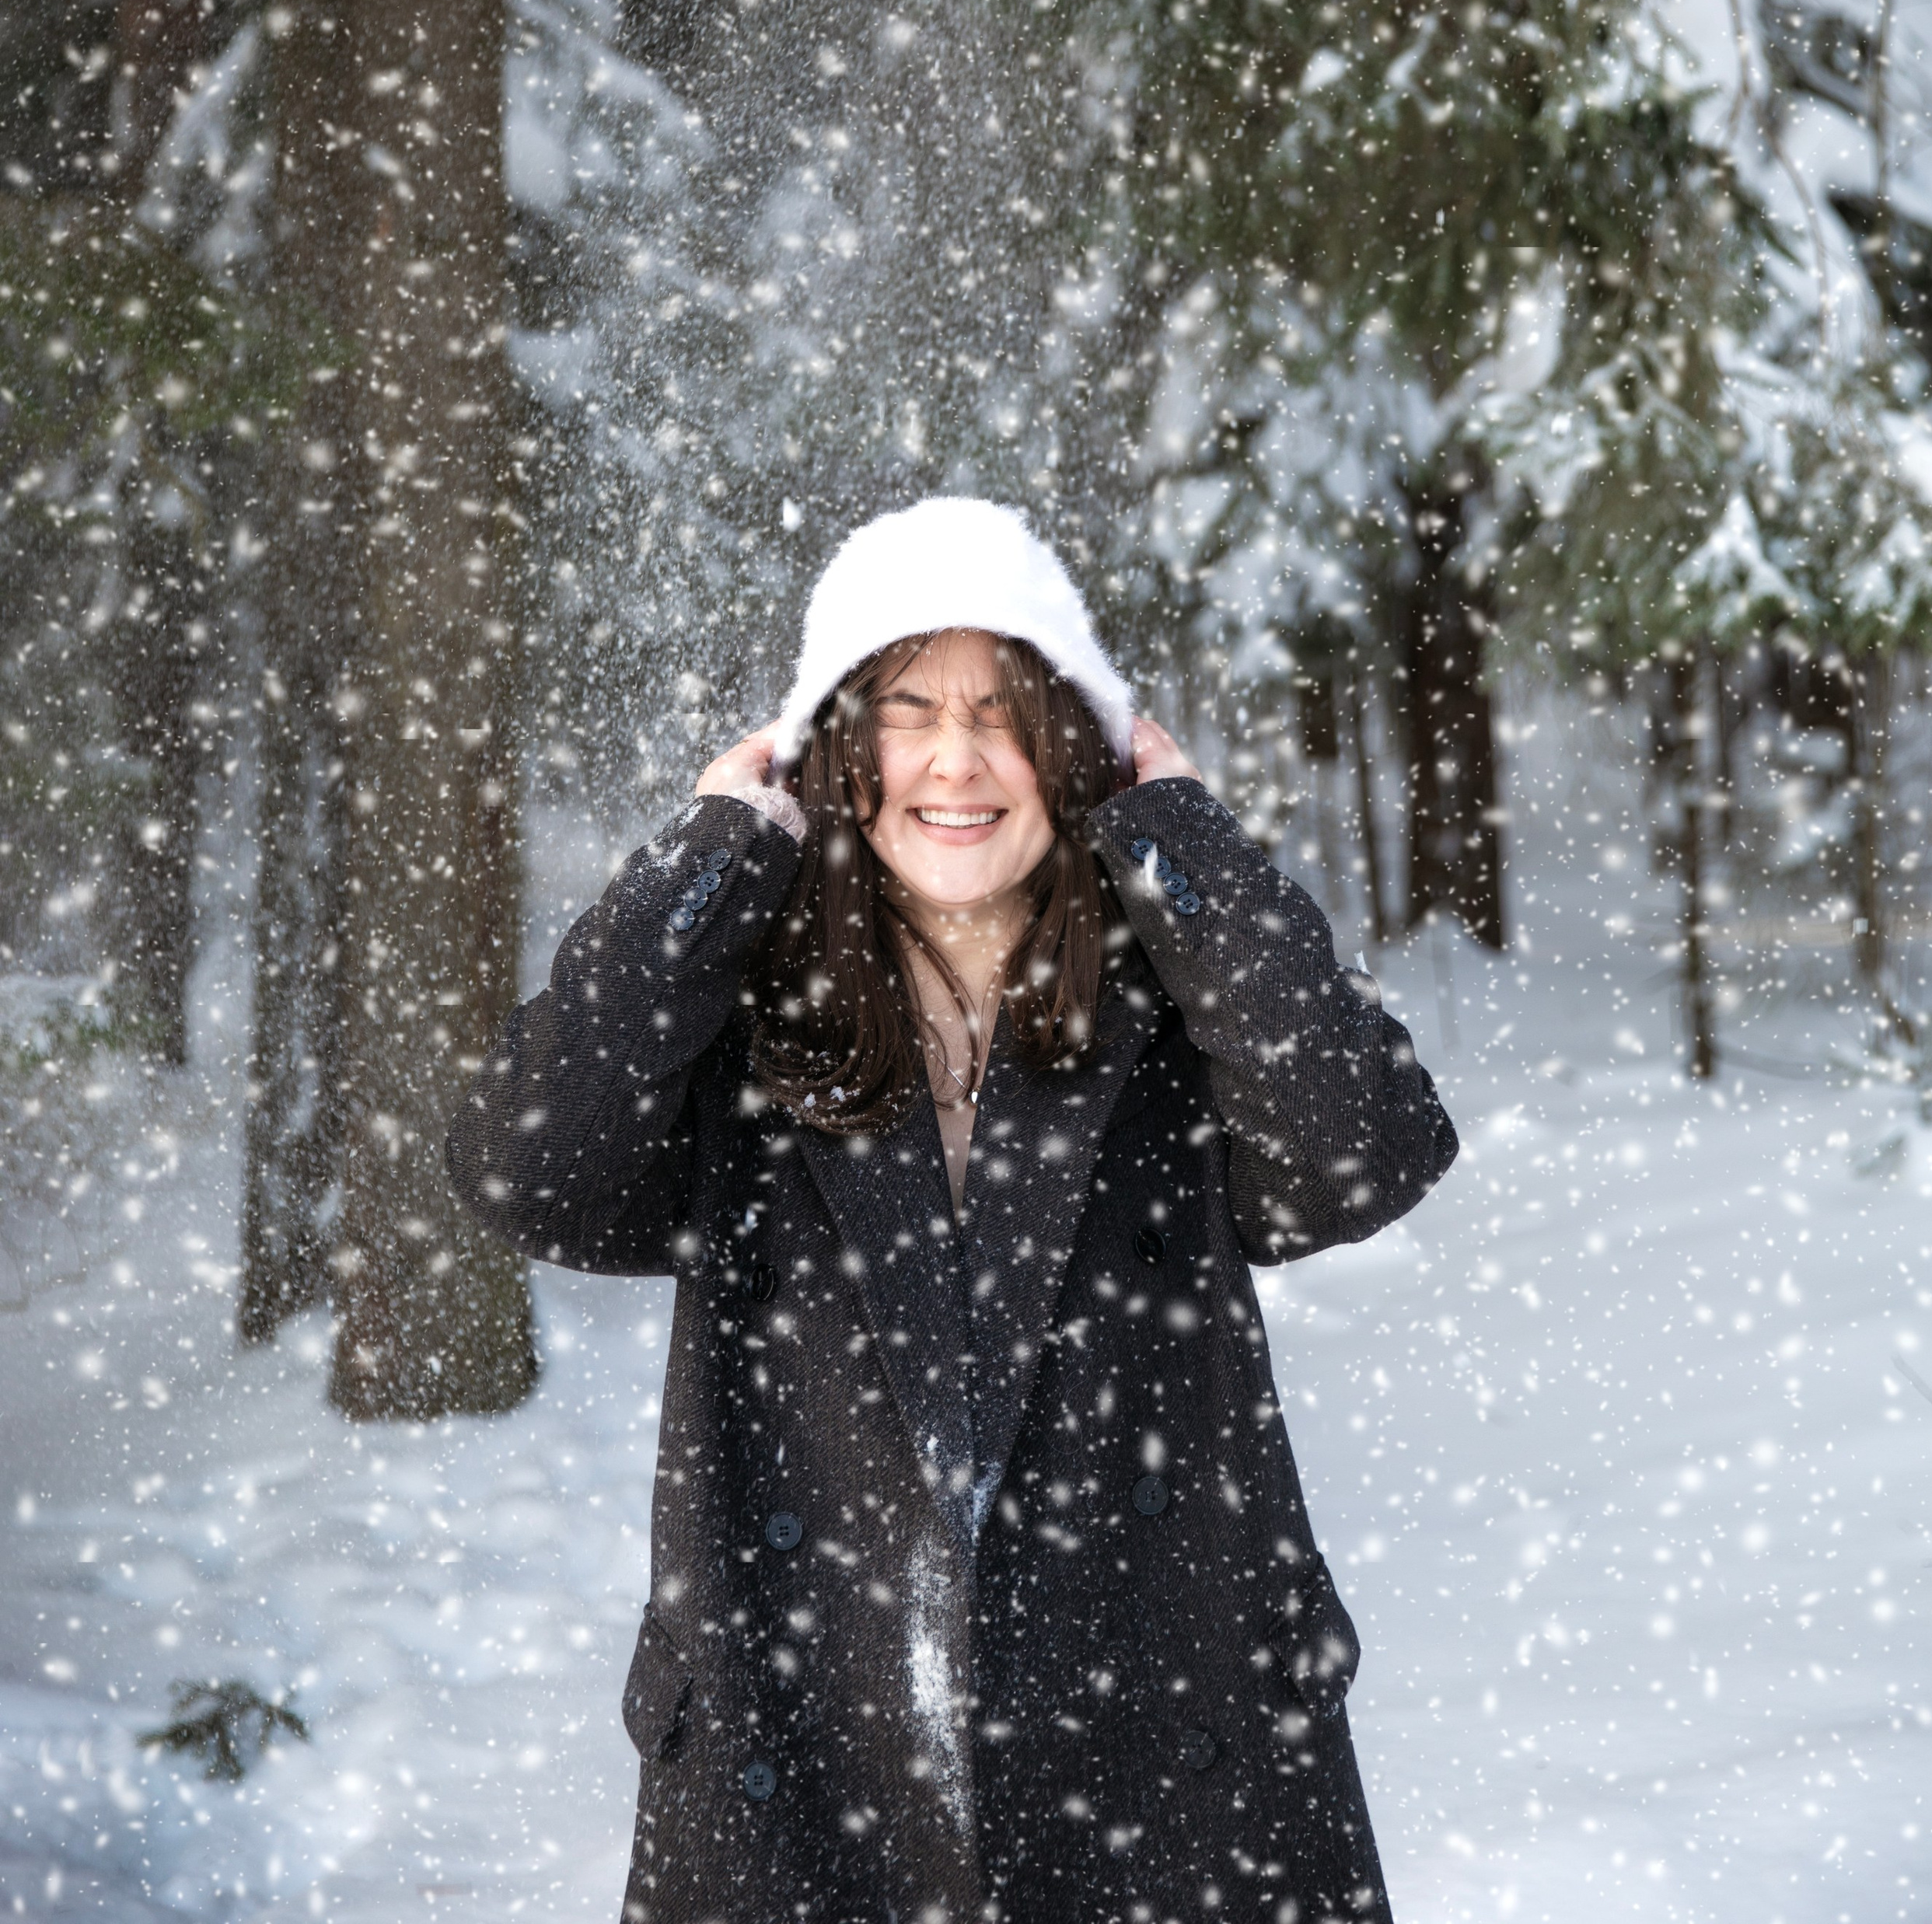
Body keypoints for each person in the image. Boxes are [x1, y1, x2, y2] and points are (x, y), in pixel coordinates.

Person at [449, 495, 1458, 1924]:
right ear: (835, 751)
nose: (955, 760)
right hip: (803, 1760)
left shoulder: (1177, 998)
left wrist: (1186, 844)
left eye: (1004, 714)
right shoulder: (740, 1013)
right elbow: (525, 1166)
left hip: (1171, 1767)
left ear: (1075, 747)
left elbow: (1369, 1150)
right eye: (906, 711)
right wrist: (714, 852)